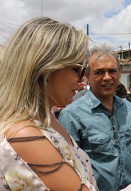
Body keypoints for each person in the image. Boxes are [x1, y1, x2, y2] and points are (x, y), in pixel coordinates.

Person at [0, 17, 98, 191]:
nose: (83, 78)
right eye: (77, 68)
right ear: (47, 68)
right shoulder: (24, 134)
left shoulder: (46, 120)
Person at [58, 44, 131, 191]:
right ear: (87, 76)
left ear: (120, 72)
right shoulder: (71, 115)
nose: (107, 77)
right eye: (99, 72)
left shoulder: (127, 108)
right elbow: (67, 167)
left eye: (112, 71)